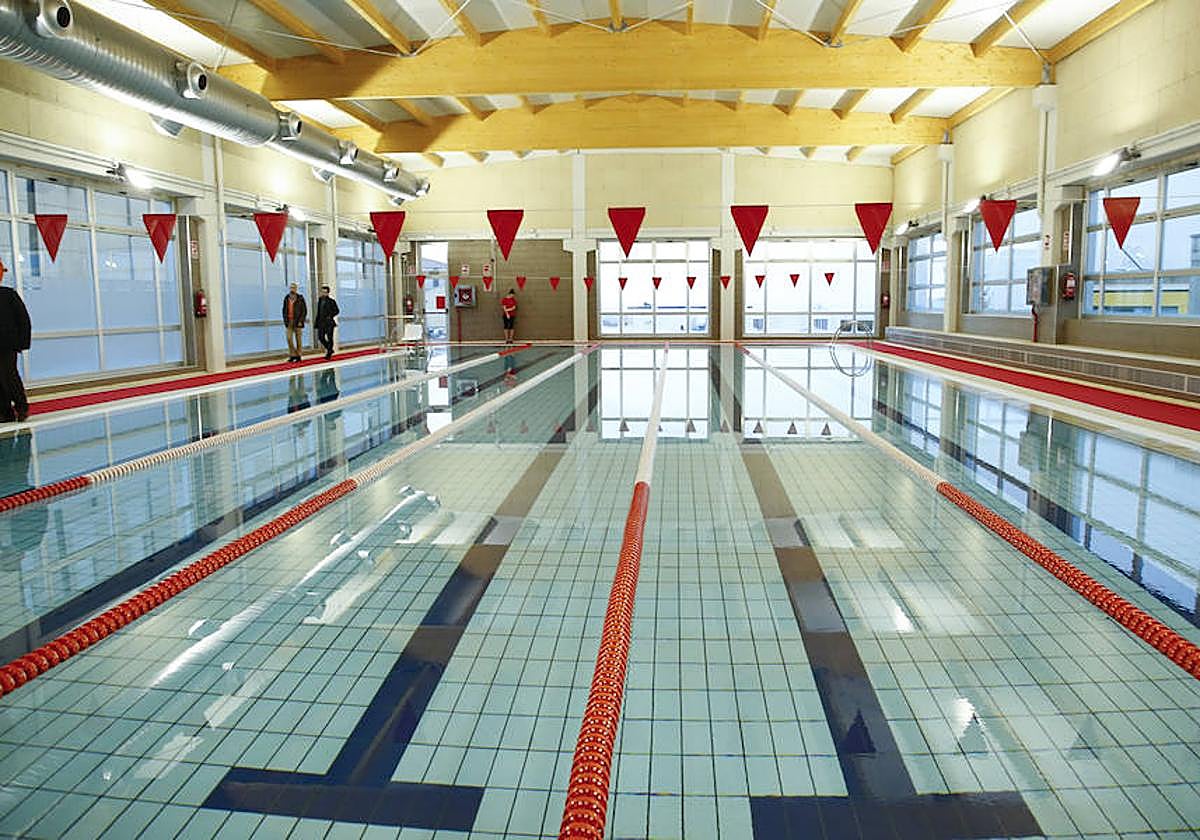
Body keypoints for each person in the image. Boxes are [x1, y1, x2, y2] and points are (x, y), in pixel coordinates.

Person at [0, 260, 32, 423]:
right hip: (7, 343)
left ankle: (21, 407)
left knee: (9, 375)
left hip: (8, 344)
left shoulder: (9, 294)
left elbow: (23, 319)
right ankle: (5, 412)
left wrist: (23, 342)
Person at [282, 282, 308, 363]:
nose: (292, 289)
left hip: (298, 321)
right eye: (291, 287)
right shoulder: (286, 298)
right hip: (289, 321)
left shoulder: (300, 298)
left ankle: (299, 355)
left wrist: (301, 321)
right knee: (289, 338)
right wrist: (285, 320)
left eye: (294, 287)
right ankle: (293, 354)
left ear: (296, 289)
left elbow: (304, 311)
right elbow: (284, 310)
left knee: (298, 339)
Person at [315, 285, 339, 361]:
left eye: (325, 292)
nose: (324, 293)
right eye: (323, 292)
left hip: (329, 323)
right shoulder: (320, 301)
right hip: (321, 323)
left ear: (328, 293)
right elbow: (318, 313)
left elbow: (337, 311)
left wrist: (330, 316)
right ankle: (330, 349)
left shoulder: (332, 301)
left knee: (329, 337)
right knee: (320, 337)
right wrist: (316, 323)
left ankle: (328, 353)